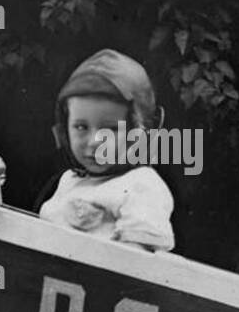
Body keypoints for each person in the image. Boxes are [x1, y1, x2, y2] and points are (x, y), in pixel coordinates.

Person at [36, 49, 174, 252]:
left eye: (110, 129)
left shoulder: (142, 185)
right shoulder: (69, 180)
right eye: (81, 127)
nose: (93, 142)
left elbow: (137, 265)